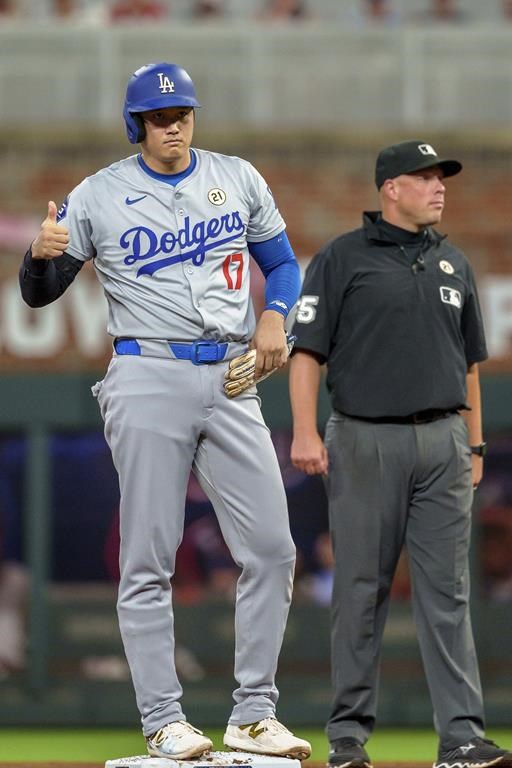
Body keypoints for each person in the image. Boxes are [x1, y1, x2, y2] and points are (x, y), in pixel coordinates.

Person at [19, 61, 311, 762]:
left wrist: (275, 316)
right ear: (136, 124)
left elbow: (285, 263)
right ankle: (163, 719)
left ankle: (252, 715)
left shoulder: (236, 176)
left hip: (234, 373)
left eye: (181, 112)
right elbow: (39, 294)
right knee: (149, 555)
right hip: (147, 370)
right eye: (158, 115)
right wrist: (38, 257)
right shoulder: (100, 194)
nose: (173, 123)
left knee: (273, 548)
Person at [288, 139, 512, 768]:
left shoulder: (455, 264)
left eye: (442, 178)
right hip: (364, 436)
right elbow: (307, 353)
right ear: (391, 188)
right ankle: (349, 738)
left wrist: (474, 442)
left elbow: (469, 365)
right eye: (426, 177)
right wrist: (305, 431)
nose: (440, 187)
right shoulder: (341, 258)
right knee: (361, 590)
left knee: (449, 592)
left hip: (443, 438)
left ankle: (462, 736)